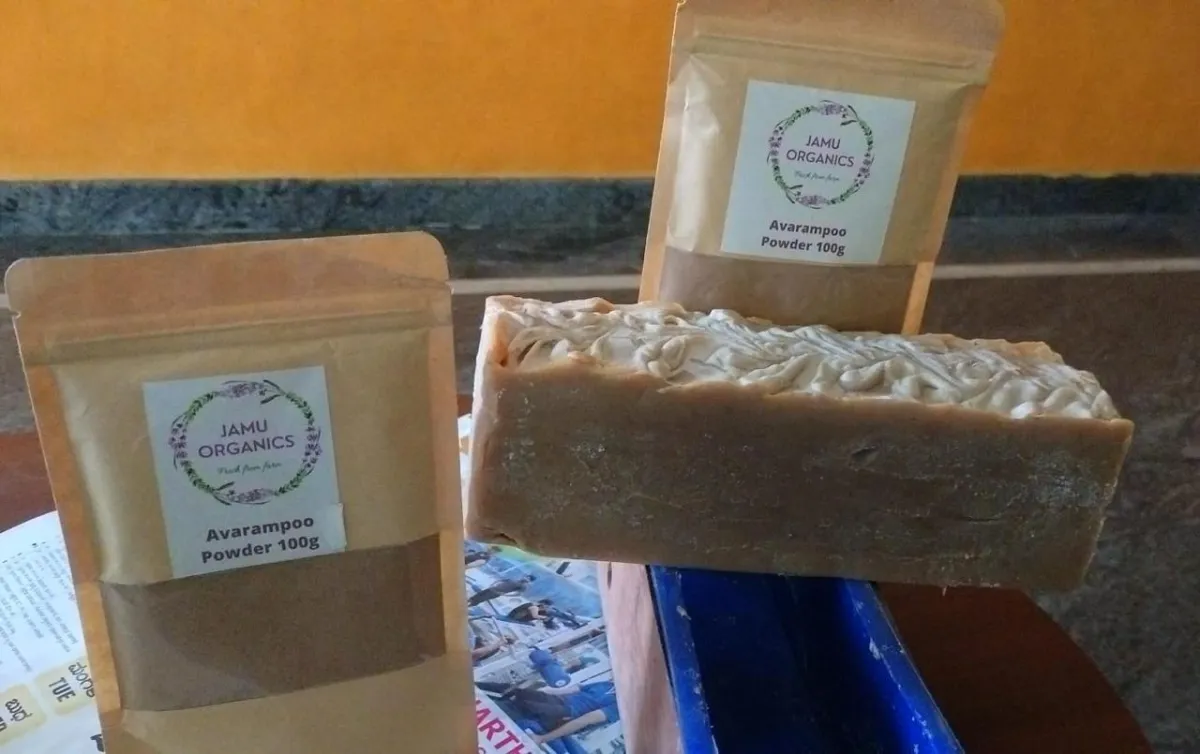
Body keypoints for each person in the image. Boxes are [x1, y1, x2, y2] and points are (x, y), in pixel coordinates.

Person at [476, 680, 618, 746]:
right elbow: (567, 690)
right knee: (515, 691)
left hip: (567, 714)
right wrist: (537, 692)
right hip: (559, 700)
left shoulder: (618, 707)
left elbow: (583, 720)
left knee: (526, 705)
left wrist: (542, 738)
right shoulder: (607, 684)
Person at [467, 574, 535, 607]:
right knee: (477, 595)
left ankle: (467, 607)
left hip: (496, 593)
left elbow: (518, 594)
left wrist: (506, 595)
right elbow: (501, 580)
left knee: (480, 599)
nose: (526, 578)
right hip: (492, 588)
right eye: (527, 577)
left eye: (528, 579)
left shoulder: (523, 586)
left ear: (529, 581)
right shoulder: (514, 579)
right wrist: (492, 584)